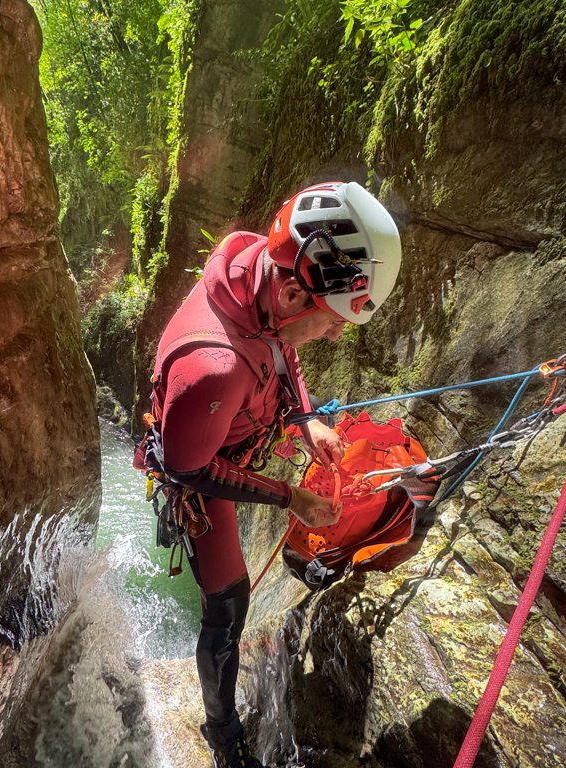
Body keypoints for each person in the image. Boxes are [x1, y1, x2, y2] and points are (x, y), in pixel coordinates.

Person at [135, 181, 402, 768]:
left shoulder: (261, 270)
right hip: (198, 467)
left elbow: (283, 351)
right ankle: (223, 734)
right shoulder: (213, 368)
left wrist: (307, 422)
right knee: (229, 605)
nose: (336, 333)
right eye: (332, 321)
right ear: (291, 293)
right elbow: (189, 467)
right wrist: (290, 497)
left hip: (227, 429)